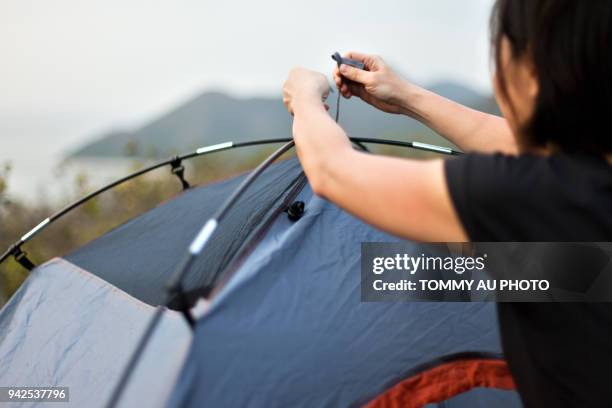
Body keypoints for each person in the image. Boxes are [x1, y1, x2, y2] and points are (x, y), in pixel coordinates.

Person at [282, 0, 612, 406]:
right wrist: (404, 96)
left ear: (531, 72)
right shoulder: (584, 184)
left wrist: (304, 97)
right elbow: (521, 145)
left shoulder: (534, 196)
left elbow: (333, 170)